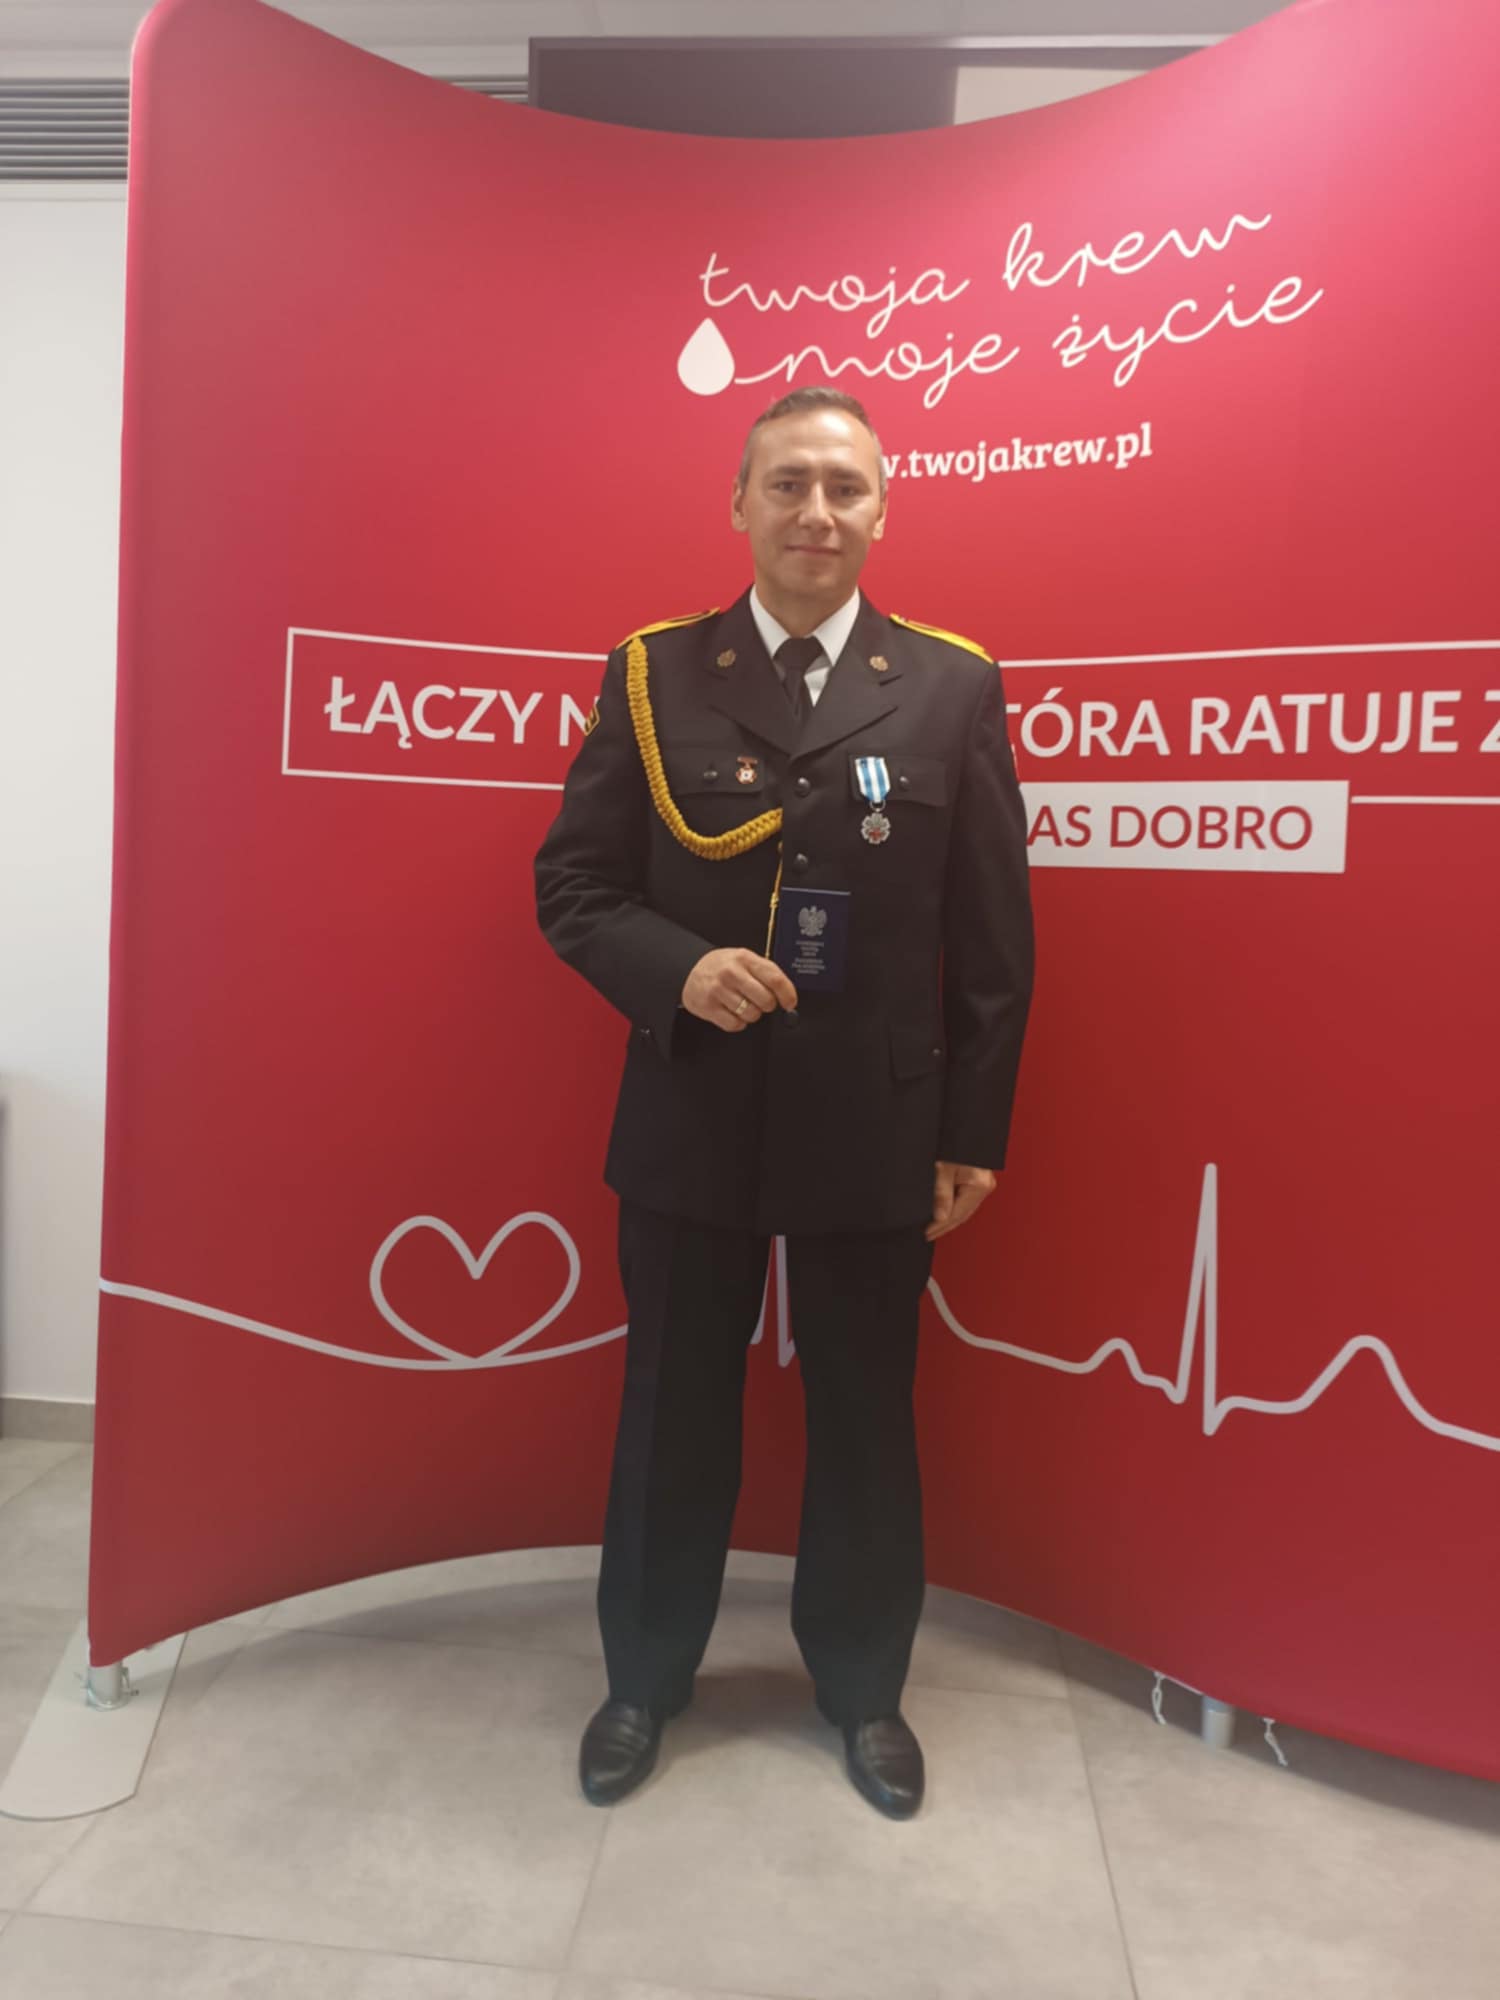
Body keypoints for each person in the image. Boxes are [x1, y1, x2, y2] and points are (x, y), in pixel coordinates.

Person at [533, 385, 1033, 1817]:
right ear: (740, 504)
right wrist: (680, 971)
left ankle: (865, 1691)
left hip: (877, 1122)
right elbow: (574, 887)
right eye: (790, 484)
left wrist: (971, 1133)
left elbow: (994, 938)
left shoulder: (948, 685)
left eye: (845, 487)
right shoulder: (653, 674)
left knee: (868, 1416)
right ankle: (644, 1679)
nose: (818, 512)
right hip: (693, 1105)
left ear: (883, 510)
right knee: (670, 1409)